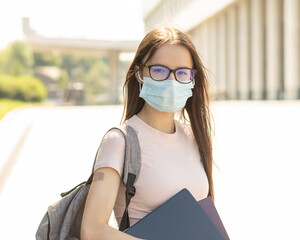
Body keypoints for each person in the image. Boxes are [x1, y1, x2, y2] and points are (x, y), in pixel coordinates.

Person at [81, 26, 215, 240]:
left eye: (182, 73)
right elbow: (93, 230)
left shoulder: (193, 136)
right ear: (139, 73)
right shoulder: (119, 141)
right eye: (159, 71)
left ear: (192, 79)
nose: (172, 82)